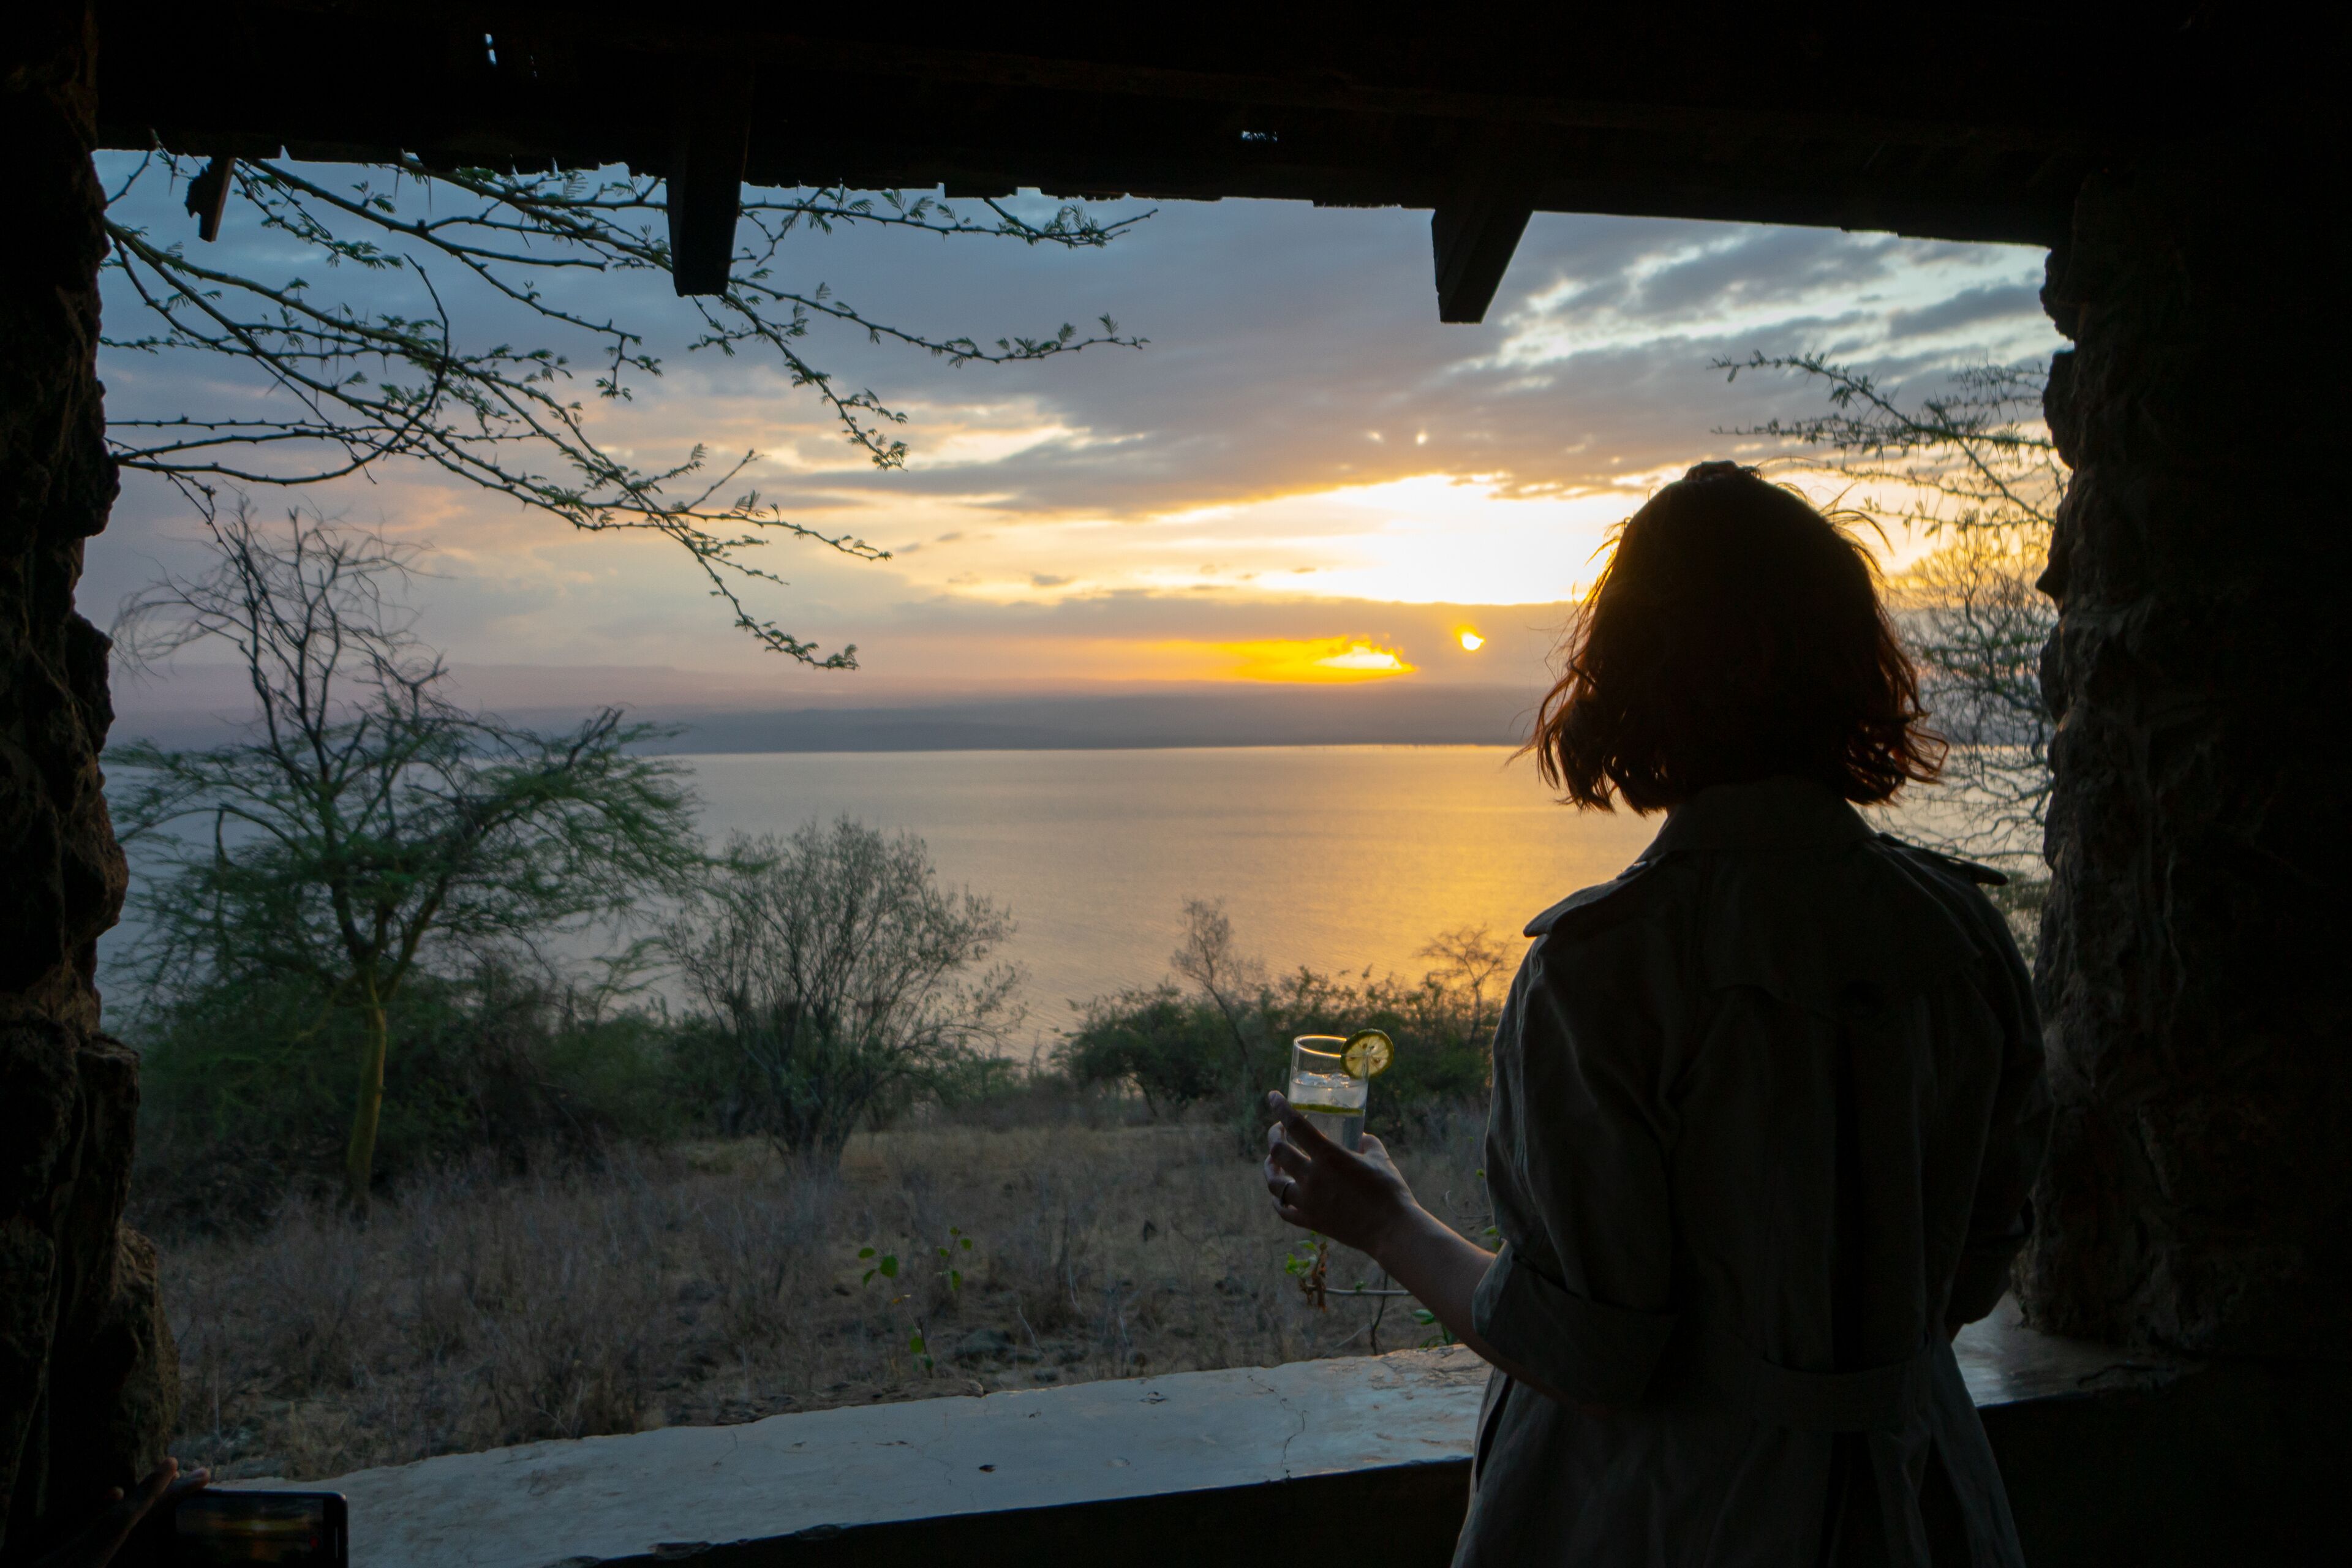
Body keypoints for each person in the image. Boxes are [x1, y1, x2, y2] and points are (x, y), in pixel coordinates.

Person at [1264, 462, 2049, 1567]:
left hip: (1672, 1519)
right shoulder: (1963, 937)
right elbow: (1970, 1276)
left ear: (1631, 680)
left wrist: (1386, 1222)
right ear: (1851, 665)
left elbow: (1585, 1351)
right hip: (1919, 1506)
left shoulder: (1608, 970)